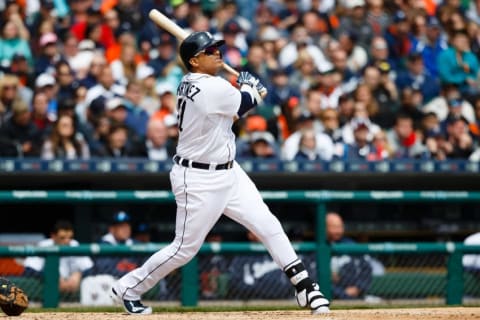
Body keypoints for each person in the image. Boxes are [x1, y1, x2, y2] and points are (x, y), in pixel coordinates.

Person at [109, 31, 330, 315]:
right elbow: (244, 103)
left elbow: (238, 107)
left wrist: (249, 91)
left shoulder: (200, 83)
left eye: (216, 48)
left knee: (267, 224)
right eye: (209, 51)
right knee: (183, 249)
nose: (217, 53)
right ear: (194, 61)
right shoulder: (207, 87)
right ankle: (128, 287)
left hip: (229, 171)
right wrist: (251, 88)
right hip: (198, 178)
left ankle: (305, 286)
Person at [22, 220, 94, 293]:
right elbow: (29, 270)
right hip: (49, 290)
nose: (67, 241)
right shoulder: (44, 245)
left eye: (70, 237)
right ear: (53, 236)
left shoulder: (74, 245)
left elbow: (91, 269)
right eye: (62, 238)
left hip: (72, 289)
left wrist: (79, 275)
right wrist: (51, 276)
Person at [326, 212, 374, 300]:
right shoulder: (315, 250)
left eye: (340, 227)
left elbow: (366, 270)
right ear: (324, 228)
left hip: (355, 296)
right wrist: (341, 293)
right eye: (334, 227)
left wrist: (358, 288)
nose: (338, 231)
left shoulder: (351, 246)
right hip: (326, 297)